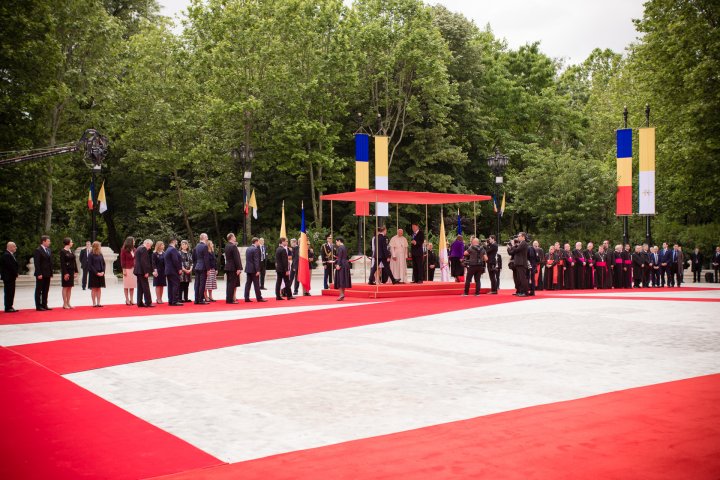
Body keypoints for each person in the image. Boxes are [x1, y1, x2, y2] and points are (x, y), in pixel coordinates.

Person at [34, 235, 53, 311]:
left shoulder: (49, 250)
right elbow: (37, 263)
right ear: (43, 241)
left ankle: (44, 304)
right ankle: (38, 306)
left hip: (47, 273)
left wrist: (51, 273)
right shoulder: (38, 250)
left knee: (46, 290)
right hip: (41, 274)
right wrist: (39, 273)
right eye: (48, 241)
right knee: (39, 290)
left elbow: (50, 262)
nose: (49, 242)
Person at [244, 237, 267, 302]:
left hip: (248, 269)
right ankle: (259, 298)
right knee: (256, 284)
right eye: (258, 242)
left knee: (248, 284)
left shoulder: (248, 249)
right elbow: (256, 261)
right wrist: (258, 270)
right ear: (256, 242)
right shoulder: (255, 249)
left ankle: (246, 297)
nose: (259, 243)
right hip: (254, 270)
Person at [134, 239, 154, 308]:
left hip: (138, 271)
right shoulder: (143, 249)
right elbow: (144, 262)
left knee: (140, 287)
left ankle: (139, 302)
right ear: (147, 243)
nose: (150, 248)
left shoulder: (138, 248)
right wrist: (146, 272)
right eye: (150, 246)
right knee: (146, 287)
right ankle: (148, 302)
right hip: (142, 271)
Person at [224, 233, 243, 304]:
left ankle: (228, 298)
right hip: (233, 267)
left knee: (229, 284)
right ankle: (230, 300)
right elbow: (237, 258)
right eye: (234, 236)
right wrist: (239, 268)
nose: (235, 237)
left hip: (228, 267)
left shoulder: (227, 246)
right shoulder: (233, 246)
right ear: (231, 237)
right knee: (232, 284)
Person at [1, 242, 19, 312]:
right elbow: (10, 266)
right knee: (9, 292)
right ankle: (8, 307)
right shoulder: (6, 255)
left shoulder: (10, 254)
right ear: (10, 247)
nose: (16, 248)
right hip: (8, 277)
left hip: (11, 277)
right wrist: (16, 273)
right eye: (14, 246)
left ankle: (10, 306)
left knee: (11, 292)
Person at [59, 237, 77, 309]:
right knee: (65, 287)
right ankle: (64, 303)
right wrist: (65, 273)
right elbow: (62, 263)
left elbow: (74, 261)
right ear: (68, 243)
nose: (72, 243)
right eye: (71, 242)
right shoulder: (62, 251)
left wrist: (76, 271)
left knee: (70, 287)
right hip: (66, 271)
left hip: (71, 271)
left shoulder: (71, 250)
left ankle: (69, 303)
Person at [165, 239, 183, 306]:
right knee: (175, 285)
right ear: (173, 242)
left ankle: (171, 300)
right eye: (176, 242)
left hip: (168, 270)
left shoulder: (167, 249)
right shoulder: (173, 249)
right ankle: (175, 300)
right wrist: (179, 268)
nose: (177, 243)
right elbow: (175, 260)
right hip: (173, 270)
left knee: (170, 286)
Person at [87, 241, 106, 307]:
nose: (100, 247)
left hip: (101, 273)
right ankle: (94, 303)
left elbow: (103, 263)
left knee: (99, 288)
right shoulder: (91, 254)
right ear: (96, 246)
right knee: (94, 288)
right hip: (93, 274)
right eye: (99, 245)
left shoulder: (100, 254)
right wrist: (96, 273)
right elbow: (90, 265)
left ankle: (98, 303)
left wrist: (103, 271)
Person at [193, 233, 210, 304]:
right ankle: (200, 300)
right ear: (204, 238)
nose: (207, 238)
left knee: (197, 284)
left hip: (197, 266)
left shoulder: (197, 246)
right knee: (202, 284)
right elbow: (206, 258)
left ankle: (196, 299)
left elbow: (195, 257)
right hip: (203, 267)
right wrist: (208, 269)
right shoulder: (205, 246)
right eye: (207, 237)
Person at [120, 237, 136, 305]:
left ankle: (131, 299)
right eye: (133, 241)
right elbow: (122, 260)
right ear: (130, 242)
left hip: (134, 269)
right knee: (126, 285)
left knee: (132, 285)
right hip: (127, 268)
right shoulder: (124, 250)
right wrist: (124, 270)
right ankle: (127, 299)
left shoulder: (134, 249)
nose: (134, 242)